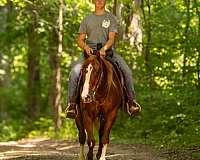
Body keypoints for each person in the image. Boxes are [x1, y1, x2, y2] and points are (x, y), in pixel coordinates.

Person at [65, 0, 141, 119]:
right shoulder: (87, 19)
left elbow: (111, 38)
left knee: (127, 71)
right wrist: (86, 47)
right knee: (74, 73)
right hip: (89, 53)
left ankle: (131, 102)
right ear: (93, 1)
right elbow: (80, 40)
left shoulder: (111, 18)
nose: (100, 1)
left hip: (107, 52)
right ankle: (72, 105)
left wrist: (104, 48)